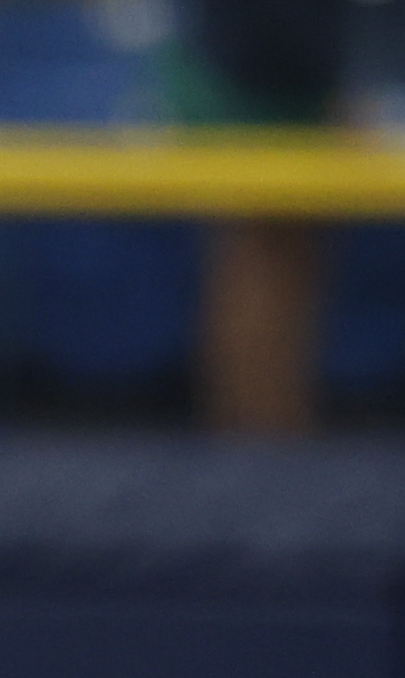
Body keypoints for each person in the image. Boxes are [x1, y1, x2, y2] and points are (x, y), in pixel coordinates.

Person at [166, 0, 356, 434]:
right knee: (258, 251)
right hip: (253, 74)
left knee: (284, 254)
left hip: (286, 76)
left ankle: (271, 426)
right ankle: (260, 432)